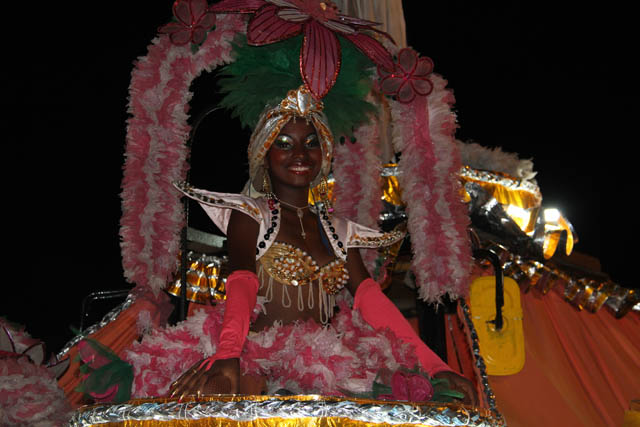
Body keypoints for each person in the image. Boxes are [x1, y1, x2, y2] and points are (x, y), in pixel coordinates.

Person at [159, 86, 477, 405]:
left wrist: (436, 367)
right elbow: (242, 283)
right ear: (263, 154)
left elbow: (370, 299)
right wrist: (229, 354)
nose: (300, 154)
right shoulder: (250, 215)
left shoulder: (338, 230)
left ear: (324, 154)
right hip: (259, 366)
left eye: (312, 144)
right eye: (284, 144)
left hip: (327, 369)